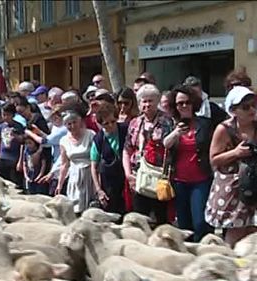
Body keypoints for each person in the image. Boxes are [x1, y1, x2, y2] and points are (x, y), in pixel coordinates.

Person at [205, 86, 257, 245]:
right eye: (246, 107)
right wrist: (236, 153)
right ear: (233, 110)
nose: (252, 109)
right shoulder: (224, 129)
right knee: (236, 233)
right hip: (233, 188)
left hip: (253, 185)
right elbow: (213, 159)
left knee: (252, 232)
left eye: (254, 104)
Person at [163, 85, 214, 242]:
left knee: (200, 223)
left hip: (201, 180)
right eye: (180, 103)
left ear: (193, 104)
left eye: (187, 102)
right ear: (174, 106)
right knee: (184, 226)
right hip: (179, 182)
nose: (184, 106)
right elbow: (165, 143)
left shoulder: (205, 124)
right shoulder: (170, 124)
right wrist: (177, 132)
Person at [123, 84, 173, 225]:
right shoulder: (134, 123)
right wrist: (128, 175)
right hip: (138, 178)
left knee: (161, 219)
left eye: (151, 100)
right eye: (144, 101)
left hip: (158, 178)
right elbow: (127, 150)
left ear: (157, 102)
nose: (147, 104)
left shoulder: (167, 122)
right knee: (139, 219)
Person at [90, 103, 127, 215]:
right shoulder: (98, 139)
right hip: (109, 184)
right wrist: (99, 190)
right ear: (100, 124)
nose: (111, 125)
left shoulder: (126, 129)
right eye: (106, 123)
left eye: (113, 121)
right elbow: (93, 167)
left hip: (127, 180)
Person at [57, 110, 95, 214]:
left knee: (89, 207)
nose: (72, 126)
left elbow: (96, 158)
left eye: (74, 122)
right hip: (74, 175)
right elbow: (64, 164)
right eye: (69, 124)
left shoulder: (90, 134)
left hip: (89, 174)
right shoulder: (63, 140)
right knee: (75, 206)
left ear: (80, 122)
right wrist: (59, 184)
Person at [0, 103, 25, 188]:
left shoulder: (18, 126)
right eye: (3, 115)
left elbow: (22, 142)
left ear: (13, 115)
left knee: (15, 183)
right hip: (3, 158)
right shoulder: (0, 127)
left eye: (8, 115)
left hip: (14, 158)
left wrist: (20, 160)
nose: (5, 117)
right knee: (4, 183)